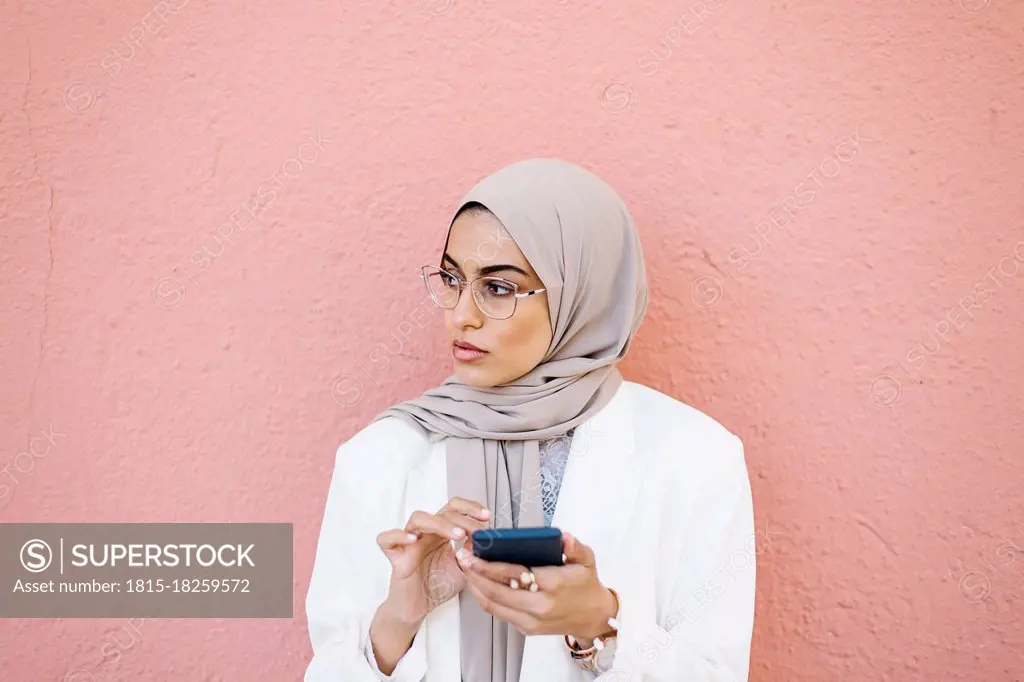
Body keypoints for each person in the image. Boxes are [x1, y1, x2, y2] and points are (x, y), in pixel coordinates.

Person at [304, 158, 755, 681]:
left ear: (582, 294)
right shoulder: (381, 454)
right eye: (452, 279)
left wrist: (602, 624)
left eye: (497, 288)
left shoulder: (695, 457)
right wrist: (401, 614)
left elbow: (717, 672)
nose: (459, 314)